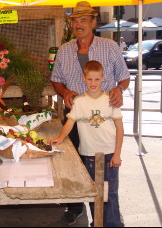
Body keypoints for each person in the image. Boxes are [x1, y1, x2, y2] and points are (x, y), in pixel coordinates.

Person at [50, 0, 130, 225]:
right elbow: (56, 80)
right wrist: (64, 91)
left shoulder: (110, 47)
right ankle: (75, 206)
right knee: (75, 166)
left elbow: (124, 77)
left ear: (94, 22)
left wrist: (119, 88)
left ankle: (107, 217)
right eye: (75, 20)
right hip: (75, 118)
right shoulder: (65, 50)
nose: (78, 24)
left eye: (83, 20)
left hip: (103, 121)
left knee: (104, 174)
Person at [49, 60, 124, 227]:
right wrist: (60, 138)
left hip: (110, 153)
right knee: (94, 193)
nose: (93, 83)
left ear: (103, 79)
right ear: (84, 78)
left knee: (110, 192)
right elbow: (70, 122)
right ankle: (97, 223)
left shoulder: (110, 101)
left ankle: (113, 224)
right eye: (90, 79)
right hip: (89, 154)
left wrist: (117, 154)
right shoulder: (80, 102)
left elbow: (120, 129)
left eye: (97, 79)